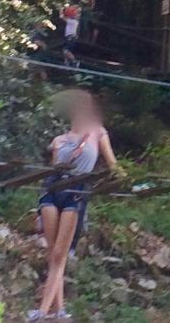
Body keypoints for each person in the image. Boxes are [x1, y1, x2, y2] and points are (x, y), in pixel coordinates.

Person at [28, 91, 121, 321]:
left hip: (77, 192)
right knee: (53, 254)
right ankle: (59, 311)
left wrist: (131, 180)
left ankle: (41, 312)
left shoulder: (98, 132)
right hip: (52, 190)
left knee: (60, 254)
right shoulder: (59, 140)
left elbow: (113, 165)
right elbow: (53, 169)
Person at [60, 0, 81, 67]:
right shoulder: (75, 21)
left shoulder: (71, 21)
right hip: (70, 37)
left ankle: (75, 61)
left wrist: (61, 9)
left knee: (66, 50)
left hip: (70, 37)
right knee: (64, 50)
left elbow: (61, 16)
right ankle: (66, 62)